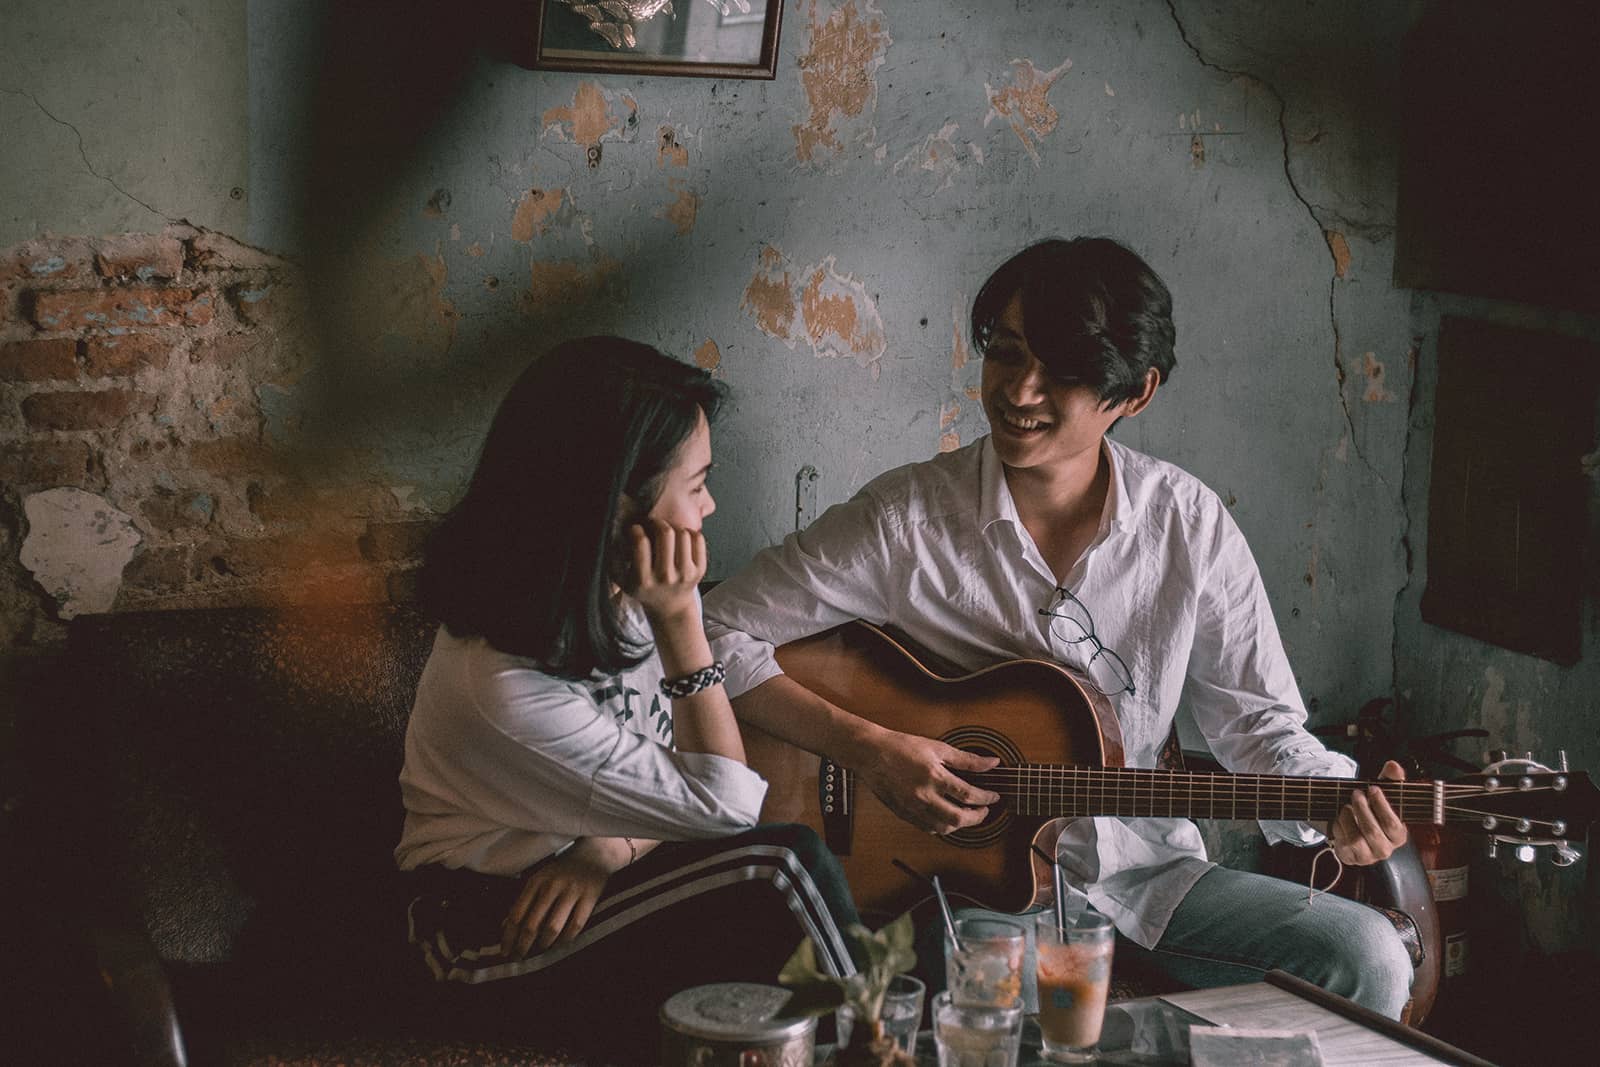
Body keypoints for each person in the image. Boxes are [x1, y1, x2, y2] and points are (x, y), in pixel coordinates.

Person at [703, 238, 1415, 1018]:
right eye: (1007, 353)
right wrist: (871, 750)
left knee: (1367, 955)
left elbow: (1259, 728)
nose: (1020, 390)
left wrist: (1331, 801)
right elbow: (714, 631)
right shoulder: (907, 520)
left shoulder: (1189, 525)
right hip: (976, 896)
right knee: (1012, 1014)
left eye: (1065, 373)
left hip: (1156, 880)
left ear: (1134, 393)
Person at [395, 336, 858, 1058]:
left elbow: (697, 781)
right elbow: (729, 806)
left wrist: (607, 846)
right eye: (697, 481)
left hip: (601, 879)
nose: (711, 504)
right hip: (489, 928)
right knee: (781, 867)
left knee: (915, 931)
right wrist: (681, 620)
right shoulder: (500, 686)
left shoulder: (615, 586)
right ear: (617, 502)